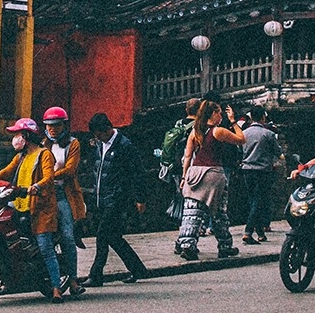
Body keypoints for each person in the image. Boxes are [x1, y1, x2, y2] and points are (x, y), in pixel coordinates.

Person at [0, 118, 64, 301]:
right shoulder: (21, 156)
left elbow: (49, 177)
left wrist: (37, 186)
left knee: (45, 247)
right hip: (20, 202)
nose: (15, 139)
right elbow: (7, 170)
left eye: (18, 135)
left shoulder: (44, 154)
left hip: (41, 207)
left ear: (27, 136)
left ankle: (56, 288)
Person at [83, 113, 148, 286]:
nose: (97, 138)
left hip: (118, 198)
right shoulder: (99, 145)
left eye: (99, 134)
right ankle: (138, 269)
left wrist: (140, 198)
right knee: (113, 237)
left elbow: (138, 173)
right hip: (101, 197)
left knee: (102, 235)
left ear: (107, 129)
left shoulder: (125, 145)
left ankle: (96, 275)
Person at [175, 100, 242, 261]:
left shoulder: (195, 131)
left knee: (191, 212)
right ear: (213, 114)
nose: (221, 116)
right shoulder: (218, 131)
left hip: (194, 172)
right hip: (213, 173)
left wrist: (184, 177)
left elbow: (188, 156)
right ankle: (225, 245)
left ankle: (187, 244)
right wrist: (233, 121)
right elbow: (241, 139)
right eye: (219, 113)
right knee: (218, 212)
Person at [41, 107, 86, 297]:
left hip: (63, 194)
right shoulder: (43, 144)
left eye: (56, 125)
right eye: (49, 126)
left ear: (64, 125)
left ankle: (74, 280)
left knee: (67, 236)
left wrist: (48, 177)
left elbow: (70, 170)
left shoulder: (73, 144)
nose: (52, 129)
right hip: (45, 194)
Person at [237, 109, 282, 244]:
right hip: (263, 170)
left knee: (253, 200)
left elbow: (240, 151)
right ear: (263, 118)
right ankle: (248, 231)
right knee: (259, 200)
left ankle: (260, 233)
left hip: (247, 170)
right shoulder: (268, 134)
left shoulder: (243, 134)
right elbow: (277, 151)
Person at [159, 99, 200, 227]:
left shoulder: (178, 124)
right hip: (192, 165)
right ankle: (190, 221)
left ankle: (178, 216)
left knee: (180, 192)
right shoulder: (198, 126)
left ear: (186, 110)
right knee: (193, 194)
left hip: (176, 165)